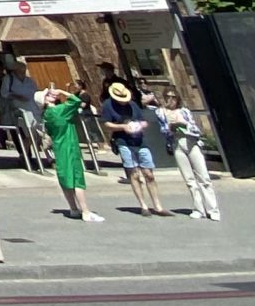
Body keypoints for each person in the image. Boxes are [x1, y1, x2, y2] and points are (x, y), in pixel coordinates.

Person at [99, 78, 170, 215]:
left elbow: (143, 121)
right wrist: (123, 127)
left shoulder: (132, 105)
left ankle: (158, 205)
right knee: (134, 173)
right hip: (123, 141)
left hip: (139, 140)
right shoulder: (108, 105)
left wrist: (140, 125)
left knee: (149, 173)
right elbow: (106, 124)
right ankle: (143, 205)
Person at [154, 87, 221, 221]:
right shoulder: (160, 112)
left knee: (203, 177)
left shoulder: (184, 111)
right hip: (177, 143)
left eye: (173, 97)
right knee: (189, 180)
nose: (170, 99)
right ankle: (199, 209)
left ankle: (213, 209)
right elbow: (163, 130)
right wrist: (169, 124)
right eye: (168, 96)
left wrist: (183, 124)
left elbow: (195, 129)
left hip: (191, 141)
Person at [40, 83, 101, 222]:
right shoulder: (60, 110)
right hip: (70, 145)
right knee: (77, 178)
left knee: (65, 178)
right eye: (48, 95)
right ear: (45, 100)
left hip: (59, 146)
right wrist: (62, 91)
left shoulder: (47, 115)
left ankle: (73, 208)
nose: (52, 94)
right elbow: (76, 101)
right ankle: (85, 211)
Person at [0, 55, 43, 166]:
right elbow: (4, 93)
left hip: (32, 110)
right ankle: (25, 156)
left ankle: (32, 156)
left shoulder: (30, 81)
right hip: (17, 111)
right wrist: (17, 96)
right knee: (24, 135)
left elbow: (36, 94)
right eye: (21, 69)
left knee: (35, 134)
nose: (23, 71)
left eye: (24, 69)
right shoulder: (9, 79)